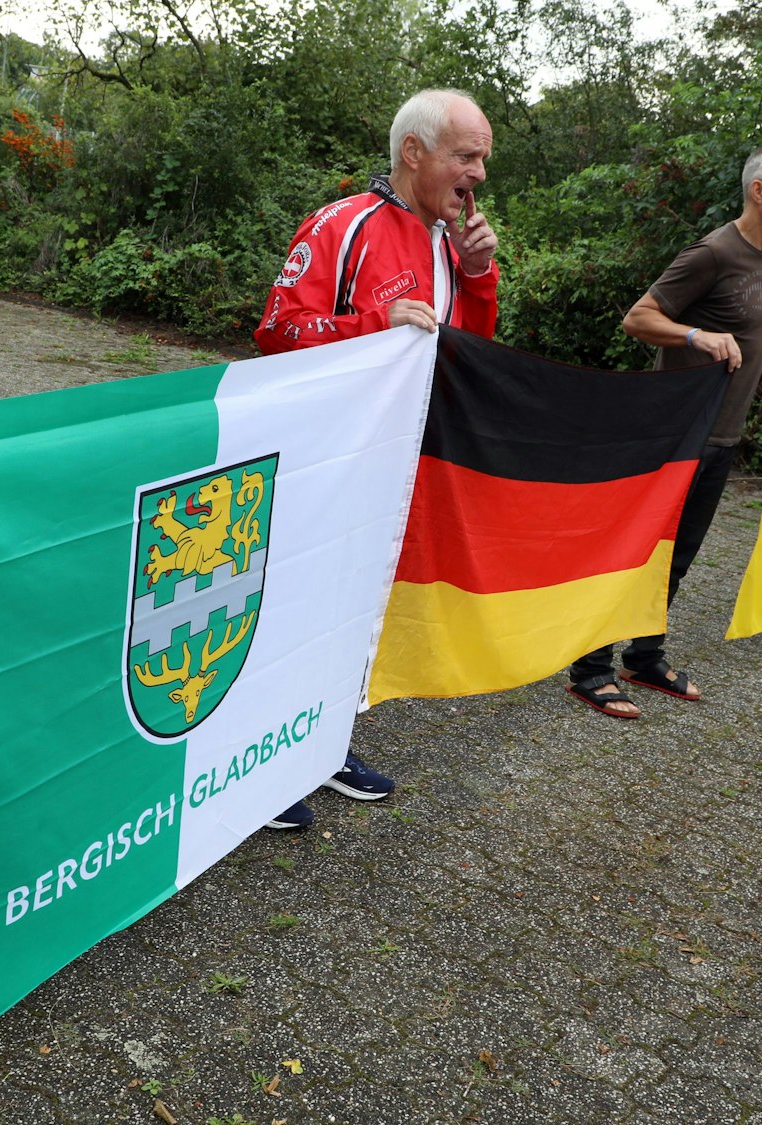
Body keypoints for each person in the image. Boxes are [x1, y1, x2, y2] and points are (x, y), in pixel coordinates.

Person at [252, 88, 499, 824]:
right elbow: (276, 330)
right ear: (414, 152)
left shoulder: (447, 241)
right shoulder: (343, 223)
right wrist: (372, 324)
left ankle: (323, 742)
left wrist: (478, 276)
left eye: (484, 157)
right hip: (320, 462)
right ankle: (262, 764)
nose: (479, 173)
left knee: (357, 610)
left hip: (398, 466)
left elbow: (467, 350)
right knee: (295, 607)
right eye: (467, 155)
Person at [565, 145, 762, 719]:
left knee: (678, 558)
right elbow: (638, 317)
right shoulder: (712, 253)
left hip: (722, 436)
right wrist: (693, 336)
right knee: (640, 554)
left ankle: (646, 655)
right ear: (759, 190)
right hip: (675, 435)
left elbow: (746, 330)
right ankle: (590, 669)